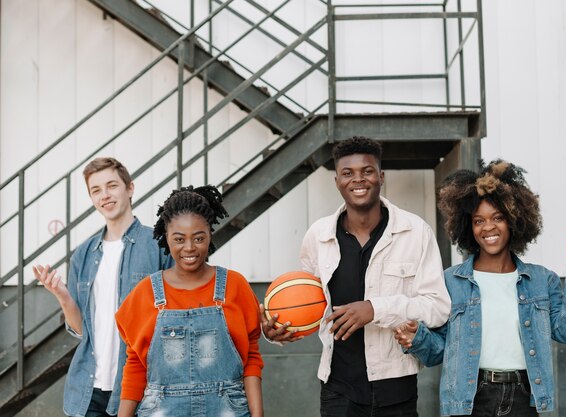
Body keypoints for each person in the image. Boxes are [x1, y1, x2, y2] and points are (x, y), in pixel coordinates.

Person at [261, 136, 451, 416]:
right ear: (337, 180)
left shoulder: (415, 232)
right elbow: (306, 305)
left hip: (395, 385)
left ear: (381, 176)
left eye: (367, 171)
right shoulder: (319, 236)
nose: (358, 180)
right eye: (348, 173)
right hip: (339, 389)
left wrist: (375, 309)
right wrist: (278, 332)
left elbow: (438, 308)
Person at [394, 159, 566, 416]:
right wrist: (417, 338)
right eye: (478, 221)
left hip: (524, 398)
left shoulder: (540, 279)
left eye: (497, 217)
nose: (488, 227)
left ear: (513, 220)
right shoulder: (451, 281)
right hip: (469, 399)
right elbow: (439, 353)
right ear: (468, 226)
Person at [33, 157, 172, 417]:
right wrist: (63, 296)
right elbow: (79, 330)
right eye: (96, 190)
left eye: (111, 186)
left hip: (142, 389)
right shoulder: (83, 254)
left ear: (130, 188)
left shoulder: (158, 245)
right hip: (89, 390)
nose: (104, 196)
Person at [115, 185, 263, 417]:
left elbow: (251, 357)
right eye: (179, 239)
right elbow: (135, 363)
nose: (189, 248)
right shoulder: (146, 293)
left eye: (198, 238)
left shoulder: (235, 286)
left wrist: (258, 414)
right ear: (166, 238)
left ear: (210, 235)